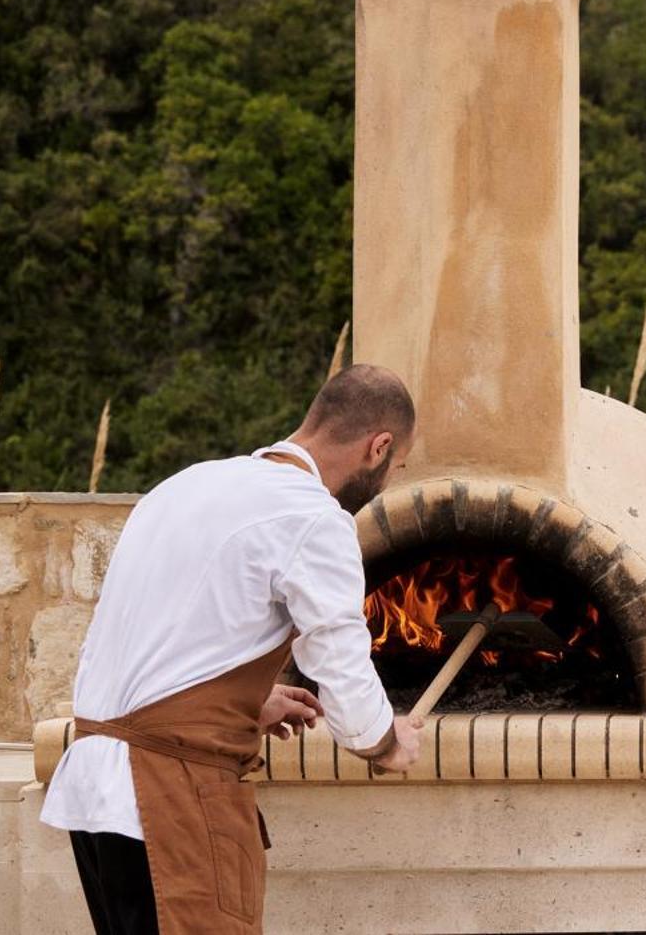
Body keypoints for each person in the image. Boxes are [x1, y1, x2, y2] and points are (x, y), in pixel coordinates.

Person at [40, 364, 425, 934]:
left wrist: (248, 698)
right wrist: (385, 742)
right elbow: (339, 661)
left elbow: (147, 630)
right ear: (379, 446)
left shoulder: (185, 486)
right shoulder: (314, 518)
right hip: (166, 799)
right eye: (395, 466)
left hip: (98, 792)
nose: (389, 479)